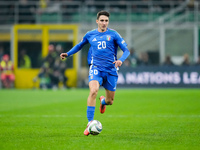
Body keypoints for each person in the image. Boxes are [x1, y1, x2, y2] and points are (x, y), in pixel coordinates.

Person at [60, 10, 130, 136]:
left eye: (106, 21)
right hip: (96, 68)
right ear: (97, 21)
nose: (104, 23)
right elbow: (79, 46)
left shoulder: (114, 35)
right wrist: (68, 54)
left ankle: (103, 101)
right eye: (102, 20)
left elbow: (126, 50)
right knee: (93, 91)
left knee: (110, 101)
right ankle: (89, 123)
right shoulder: (90, 34)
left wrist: (120, 60)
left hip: (111, 70)